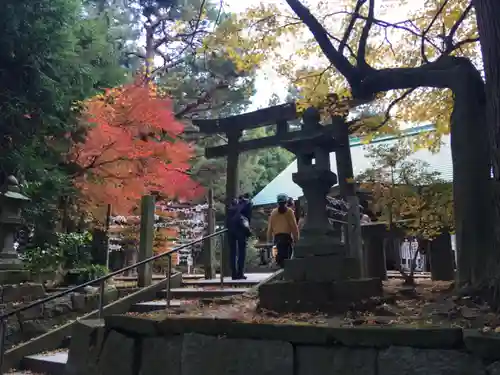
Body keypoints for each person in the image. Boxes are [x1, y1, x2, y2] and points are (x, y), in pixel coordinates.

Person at [267, 193, 299, 268]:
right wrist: (296, 239)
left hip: (277, 239)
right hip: (286, 238)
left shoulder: (273, 212)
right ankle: (284, 274)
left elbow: (270, 228)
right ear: (286, 202)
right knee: (287, 259)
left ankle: (281, 272)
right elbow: (294, 227)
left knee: (280, 258)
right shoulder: (289, 211)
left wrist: (269, 240)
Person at [227, 195, 252, 280]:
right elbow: (248, 218)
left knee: (232, 252)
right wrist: (248, 230)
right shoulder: (247, 204)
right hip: (241, 230)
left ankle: (234, 273)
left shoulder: (233, 205)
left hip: (230, 230)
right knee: (242, 252)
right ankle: (240, 273)